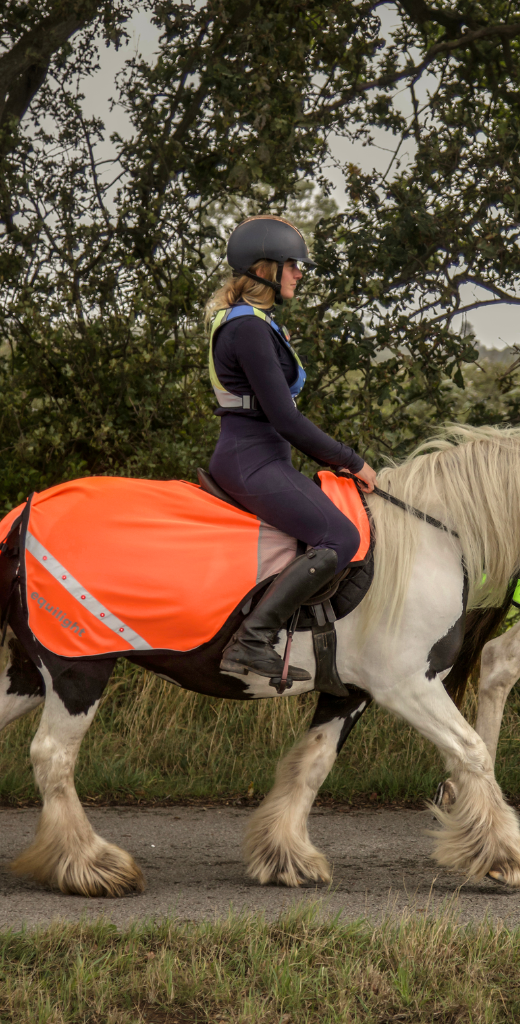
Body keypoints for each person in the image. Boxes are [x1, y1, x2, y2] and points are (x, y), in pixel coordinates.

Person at [206, 215, 378, 682]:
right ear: (265, 267)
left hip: (262, 456)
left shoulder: (256, 323)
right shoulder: (248, 329)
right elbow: (285, 419)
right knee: (342, 538)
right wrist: (352, 461)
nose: (300, 273)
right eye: (294, 264)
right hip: (252, 461)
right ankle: (252, 641)